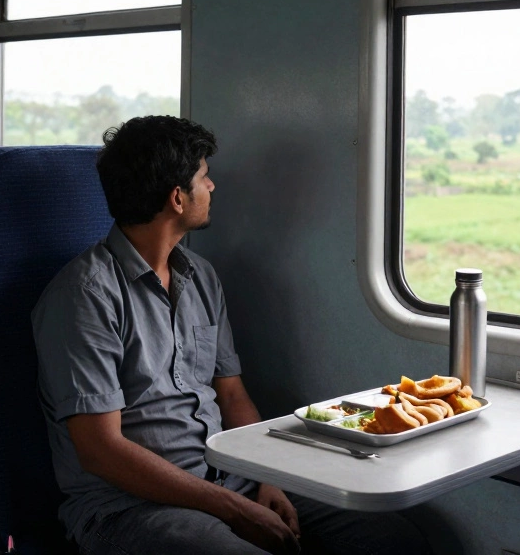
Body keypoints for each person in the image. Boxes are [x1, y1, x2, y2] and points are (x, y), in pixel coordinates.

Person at [32, 116, 432, 555]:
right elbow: (100, 450)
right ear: (177, 198)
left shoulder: (199, 276)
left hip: (230, 477)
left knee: (392, 539)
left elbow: (232, 394)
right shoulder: (84, 296)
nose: (214, 187)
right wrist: (233, 510)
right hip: (130, 507)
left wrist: (267, 477)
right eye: (205, 177)